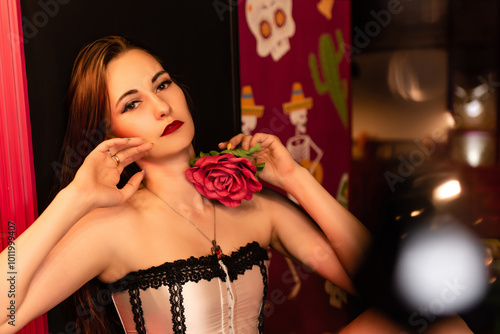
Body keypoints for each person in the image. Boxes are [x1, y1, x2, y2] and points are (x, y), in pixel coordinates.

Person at [0, 36, 471, 334]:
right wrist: (75, 199)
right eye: (133, 104)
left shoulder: (255, 207)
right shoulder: (111, 228)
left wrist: (295, 181)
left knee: (441, 322)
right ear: (108, 134)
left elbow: (388, 286)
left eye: (162, 85)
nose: (162, 107)